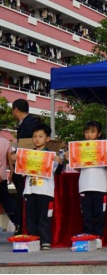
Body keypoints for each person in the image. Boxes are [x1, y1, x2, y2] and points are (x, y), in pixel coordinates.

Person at [23, 123, 62, 250]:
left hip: (45, 192)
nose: (37, 139)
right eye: (34, 136)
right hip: (30, 190)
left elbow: (58, 171)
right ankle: (33, 240)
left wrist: (59, 162)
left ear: (47, 139)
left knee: (44, 217)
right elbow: (21, 172)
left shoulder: (51, 155)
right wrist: (16, 160)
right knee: (30, 218)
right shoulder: (27, 155)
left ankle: (45, 240)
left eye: (40, 136)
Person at [72, 121, 107, 239]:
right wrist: (71, 159)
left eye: (92, 132)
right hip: (85, 185)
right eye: (87, 131)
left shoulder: (104, 148)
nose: (89, 134)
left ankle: (98, 235)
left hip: (99, 186)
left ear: (99, 134)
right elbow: (77, 168)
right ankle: (88, 235)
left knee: (99, 213)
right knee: (86, 213)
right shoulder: (80, 148)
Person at [11, 99, 41, 235]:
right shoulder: (30, 122)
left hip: (28, 166)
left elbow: (29, 146)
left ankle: (24, 227)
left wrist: (19, 154)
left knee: (24, 197)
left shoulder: (29, 124)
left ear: (16, 110)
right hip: (26, 165)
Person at [0, 133, 18, 231]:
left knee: (7, 202)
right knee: (7, 202)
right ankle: (17, 223)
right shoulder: (6, 142)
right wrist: (11, 172)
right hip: (2, 178)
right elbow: (10, 161)